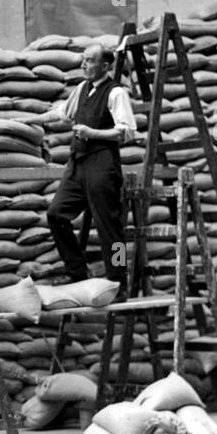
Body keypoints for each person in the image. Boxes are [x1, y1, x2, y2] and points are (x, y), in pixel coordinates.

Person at [39, 44, 139, 296]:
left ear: (105, 66)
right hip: (78, 162)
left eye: (89, 61)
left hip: (102, 163)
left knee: (110, 228)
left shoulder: (116, 93)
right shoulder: (82, 88)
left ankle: (119, 282)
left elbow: (126, 131)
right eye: (83, 60)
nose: (83, 65)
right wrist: (26, 120)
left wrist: (92, 133)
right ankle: (78, 274)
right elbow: (62, 114)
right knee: (56, 214)